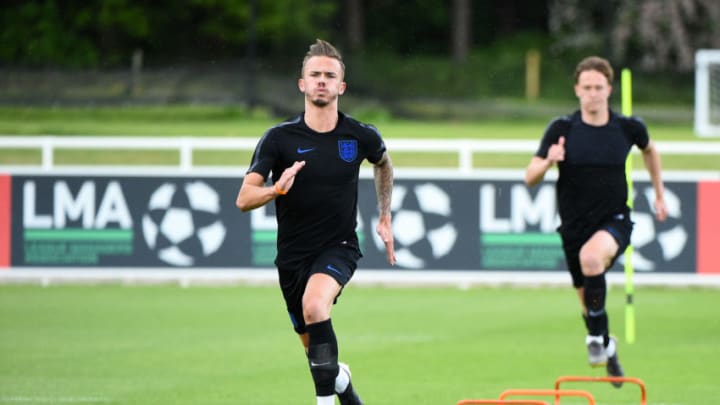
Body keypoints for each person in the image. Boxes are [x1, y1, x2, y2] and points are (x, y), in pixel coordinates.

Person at [236, 39, 396, 405]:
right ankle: (343, 383)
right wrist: (276, 189)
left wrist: (384, 215)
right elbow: (244, 198)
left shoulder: (359, 135)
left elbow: (384, 163)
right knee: (318, 357)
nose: (322, 81)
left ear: (341, 86)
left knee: (315, 306)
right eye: (315, 75)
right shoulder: (278, 139)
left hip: (338, 248)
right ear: (302, 84)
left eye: (330, 75)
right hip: (292, 258)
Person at [524, 56, 668, 386]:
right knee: (590, 307)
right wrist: (549, 161)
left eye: (598, 87)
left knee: (592, 258)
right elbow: (529, 177)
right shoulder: (561, 130)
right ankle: (606, 343)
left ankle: (596, 340)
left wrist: (659, 193)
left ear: (609, 89)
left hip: (614, 221)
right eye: (586, 87)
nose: (592, 93)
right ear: (577, 90)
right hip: (573, 228)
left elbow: (650, 151)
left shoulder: (628, 128)